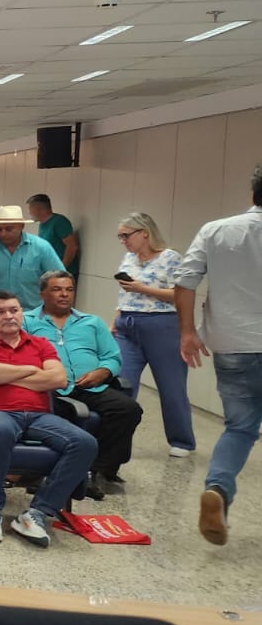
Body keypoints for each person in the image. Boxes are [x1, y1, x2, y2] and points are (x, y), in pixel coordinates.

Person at [0, 290, 98, 547]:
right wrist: (30, 370)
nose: (9, 316)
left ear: (21, 313)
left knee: (85, 442)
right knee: (0, 431)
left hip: (39, 416)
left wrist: (2, 375)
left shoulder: (40, 344)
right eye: (0, 312)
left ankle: (37, 513)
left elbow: (58, 379)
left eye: (14, 310)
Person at [175, 167, 262, 546]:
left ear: (253, 191)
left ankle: (218, 489)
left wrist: (187, 332)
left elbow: (184, 281)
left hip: (232, 345)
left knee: (240, 428)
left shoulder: (216, 230)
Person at [26, 271, 143, 498]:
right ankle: (41, 470)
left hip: (90, 386)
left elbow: (112, 356)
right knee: (45, 411)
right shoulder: (27, 321)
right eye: (57, 289)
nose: (64, 294)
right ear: (42, 294)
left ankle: (96, 469)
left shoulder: (92, 322)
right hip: (50, 388)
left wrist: (103, 371)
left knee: (128, 409)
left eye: (69, 290)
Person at [110, 212, 196, 459]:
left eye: (126, 235)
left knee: (171, 385)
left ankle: (181, 440)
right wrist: (115, 319)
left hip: (162, 325)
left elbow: (180, 294)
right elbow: (126, 294)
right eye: (120, 237)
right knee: (121, 383)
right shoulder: (129, 258)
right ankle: (115, 439)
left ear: (144, 233)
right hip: (127, 324)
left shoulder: (170, 257)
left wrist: (142, 288)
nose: (123, 241)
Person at [0, 204, 65, 310]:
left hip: (33, 313)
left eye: (9, 229)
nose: (3, 233)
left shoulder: (41, 247)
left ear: (22, 226)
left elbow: (60, 280)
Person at [27, 193, 79, 280]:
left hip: (63, 274)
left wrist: (61, 269)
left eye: (31, 209)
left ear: (39, 209)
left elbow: (72, 246)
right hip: (50, 273)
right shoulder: (42, 224)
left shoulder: (59, 222)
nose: (29, 213)